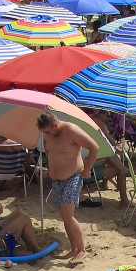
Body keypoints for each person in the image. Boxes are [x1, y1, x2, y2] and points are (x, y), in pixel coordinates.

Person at [35, 109, 99, 261]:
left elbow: (94, 147)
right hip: (56, 179)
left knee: (67, 215)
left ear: (55, 126)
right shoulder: (47, 134)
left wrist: (87, 169)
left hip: (72, 176)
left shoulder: (71, 130)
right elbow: (48, 150)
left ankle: (82, 250)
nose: (47, 134)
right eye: (44, 132)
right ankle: (74, 248)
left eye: (48, 131)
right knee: (65, 217)